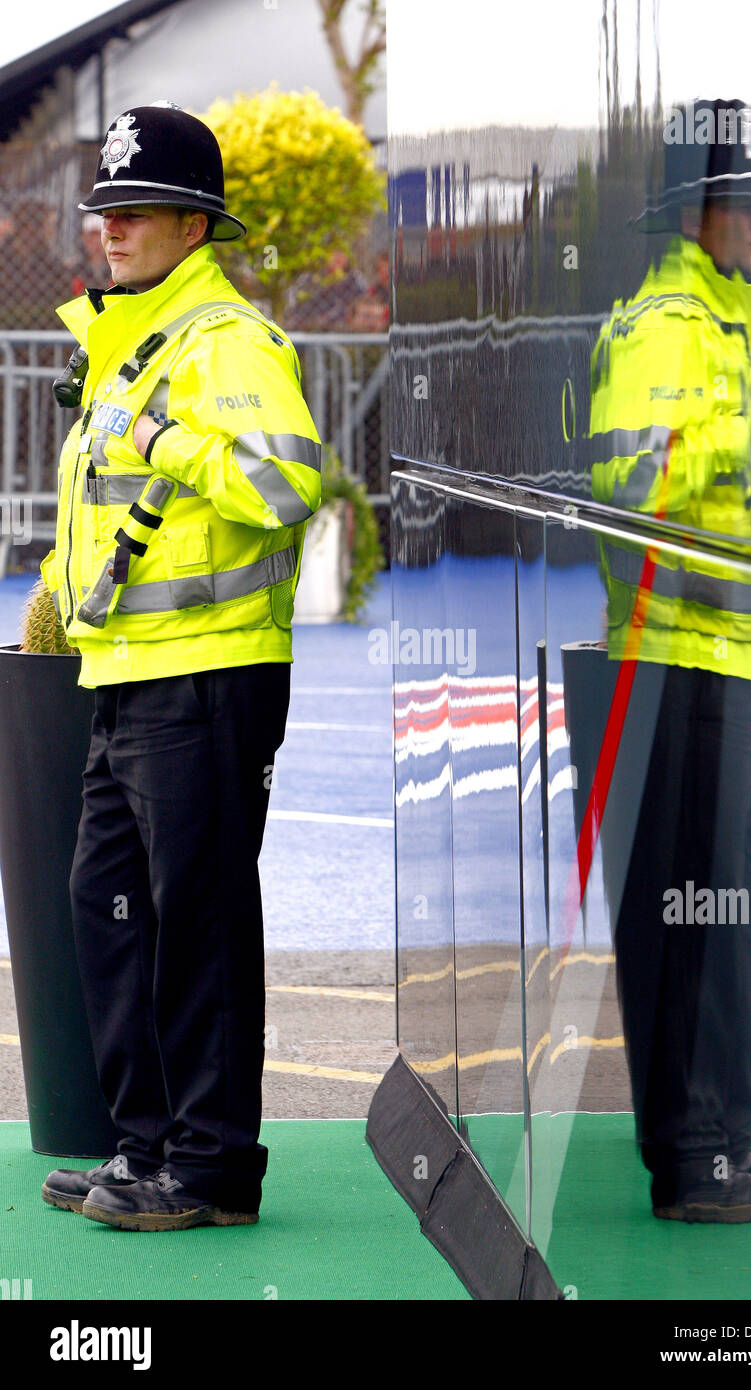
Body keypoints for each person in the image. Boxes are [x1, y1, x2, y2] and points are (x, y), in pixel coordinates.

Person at [38, 103, 321, 1231]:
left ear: (195, 224)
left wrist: (162, 440)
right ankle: (145, 1147)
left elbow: (282, 485)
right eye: (103, 208)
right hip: (132, 669)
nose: (112, 228)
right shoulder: (134, 345)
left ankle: (206, 1169)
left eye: (136, 209)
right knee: (109, 908)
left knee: (192, 921)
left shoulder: (227, 344)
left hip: (206, 673)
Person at [588, 99, 751, 1222]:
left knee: (733, 922)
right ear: (695, 214)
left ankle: (722, 1142)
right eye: (744, 203)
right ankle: (696, 1160)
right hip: (694, 665)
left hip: (746, 656)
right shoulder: (673, 330)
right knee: (702, 920)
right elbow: (636, 494)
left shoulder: (732, 325)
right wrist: (729, 415)